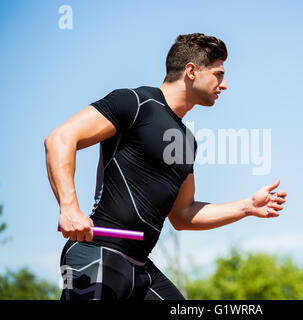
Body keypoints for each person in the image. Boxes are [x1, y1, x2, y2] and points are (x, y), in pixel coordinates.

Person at [44, 33, 287, 300]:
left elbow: (183, 214)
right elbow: (60, 139)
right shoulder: (135, 103)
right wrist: (68, 208)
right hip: (98, 253)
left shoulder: (186, 142)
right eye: (219, 74)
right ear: (191, 71)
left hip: (141, 269)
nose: (225, 84)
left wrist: (247, 206)